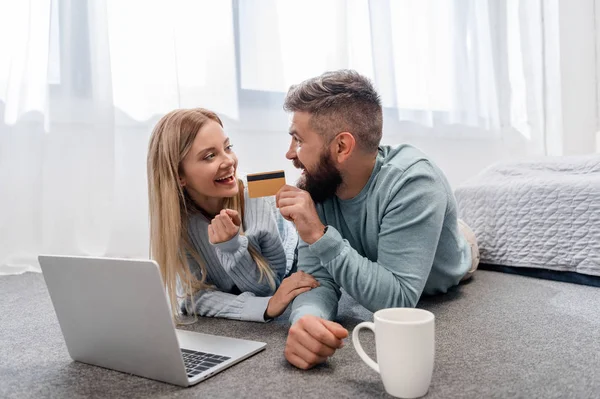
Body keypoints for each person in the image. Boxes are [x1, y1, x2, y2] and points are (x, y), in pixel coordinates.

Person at [276, 70, 480, 369]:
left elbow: (397, 301)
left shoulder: (414, 182)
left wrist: (319, 235)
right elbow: (316, 280)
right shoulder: (317, 184)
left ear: (342, 147)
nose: (289, 153)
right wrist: (308, 320)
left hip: (449, 263)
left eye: (298, 140)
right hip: (374, 252)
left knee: (465, 242)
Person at [147, 108, 318, 323]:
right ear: (179, 175)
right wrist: (263, 307)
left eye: (228, 147)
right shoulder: (179, 223)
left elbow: (267, 286)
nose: (229, 161)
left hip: (298, 288)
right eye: (210, 156)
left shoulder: (257, 198)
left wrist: (231, 246)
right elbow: (193, 298)